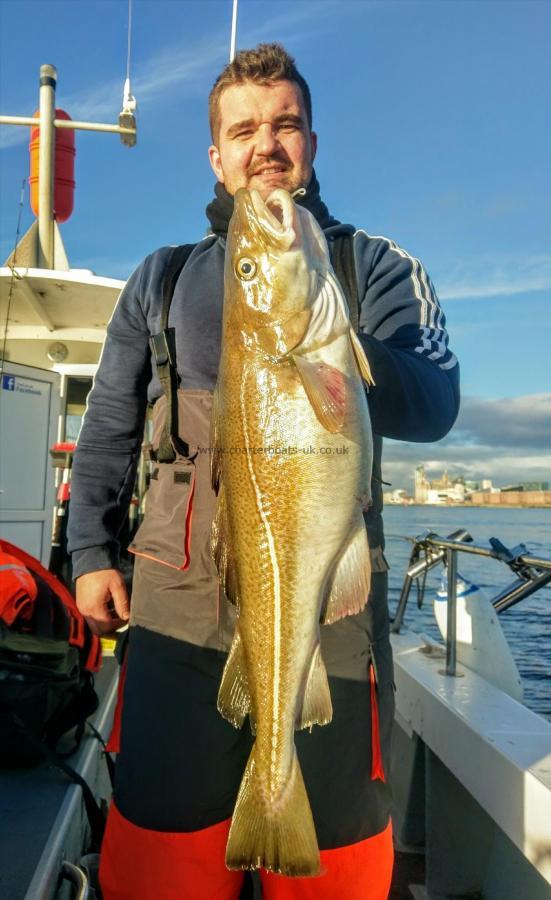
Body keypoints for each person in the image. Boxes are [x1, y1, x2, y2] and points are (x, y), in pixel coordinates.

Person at [68, 43, 459, 900]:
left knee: (339, 853)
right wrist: (90, 554)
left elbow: (435, 404)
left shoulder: (372, 267)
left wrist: (342, 362)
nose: (265, 145)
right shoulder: (160, 277)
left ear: (311, 141)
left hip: (331, 605)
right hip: (172, 602)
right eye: (243, 130)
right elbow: (108, 427)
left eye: (284, 124)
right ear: (216, 154)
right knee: (163, 846)